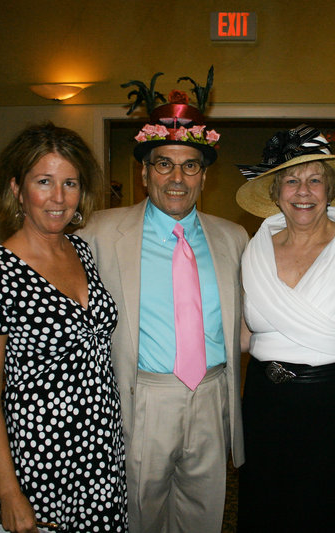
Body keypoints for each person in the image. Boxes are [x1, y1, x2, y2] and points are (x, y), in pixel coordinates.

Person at [77, 102, 248, 533]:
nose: (177, 178)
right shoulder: (98, 233)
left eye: (190, 166)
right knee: (141, 515)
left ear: (204, 176)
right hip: (143, 397)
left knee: (204, 516)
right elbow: (49, 268)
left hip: (212, 395)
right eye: (164, 165)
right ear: (145, 173)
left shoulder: (233, 237)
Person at [0, 122, 127, 533]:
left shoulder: (83, 251)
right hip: (41, 460)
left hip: (102, 450)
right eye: (44, 182)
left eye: (70, 183)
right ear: (17, 189)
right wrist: (8, 491)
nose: (58, 198)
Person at [234, 124, 335, 532]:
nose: (303, 191)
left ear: (330, 190)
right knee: (267, 511)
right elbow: (243, 334)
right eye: (291, 181)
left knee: (328, 512)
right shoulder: (253, 251)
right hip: (264, 403)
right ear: (276, 193)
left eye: (315, 180)